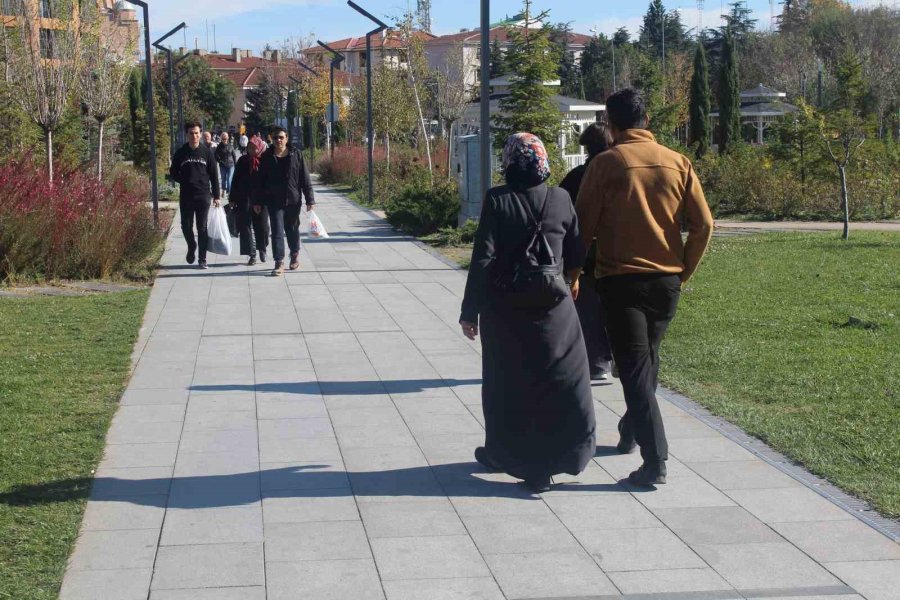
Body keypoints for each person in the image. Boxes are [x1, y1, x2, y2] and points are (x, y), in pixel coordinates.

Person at [575, 89, 714, 486]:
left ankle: (655, 462)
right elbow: (704, 225)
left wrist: (572, 274)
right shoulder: (678, 162)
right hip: (666, 282)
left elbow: (582, 227)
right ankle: (631, 427)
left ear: (611, 122)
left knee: (636, 370)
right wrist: (684, 271)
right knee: (645, 361)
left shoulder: (606, 164)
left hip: (621, 281)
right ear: (646, 119)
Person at [459, 132, 596, 493]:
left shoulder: (498, 200)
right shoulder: (561, 198)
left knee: (509, 385)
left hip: (507, 311)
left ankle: (512, 456)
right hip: (556, 309)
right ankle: (565, 454)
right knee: (560, 381)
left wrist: (470, 311)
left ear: (509, 162)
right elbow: (577, 251)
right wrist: (570, 280)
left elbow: (483, 257)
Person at [560, 123, 615, 382]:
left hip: (583, 253)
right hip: (614, 250)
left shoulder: (576, 176)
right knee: (614, 306)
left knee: (588, 307)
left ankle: (597, 362)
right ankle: (614, 356)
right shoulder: (618, 173)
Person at [253, 126, 315, 276]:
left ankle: (294, 254)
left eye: (281, 137)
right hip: (274, 200)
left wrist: (310, 200)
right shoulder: (266, 157)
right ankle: (279, 261)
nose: (278, 140)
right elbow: (259, 181)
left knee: (292, 229)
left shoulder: (296, 154)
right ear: (271, 139)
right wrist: (257, 201)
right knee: (277, 231)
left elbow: (305, 178)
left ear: (286, 138)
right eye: (275, 138)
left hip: (293, 200)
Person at [170, 121, 222, 269]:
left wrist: (217, 196)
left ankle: (202, 258)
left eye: (197, 133)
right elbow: (173, 172)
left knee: (202, 227)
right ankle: (192, 245)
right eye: (191, 133)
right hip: (186, 195)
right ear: (187, 134)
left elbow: (214, 175)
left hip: (203, 195)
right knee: (186, 226)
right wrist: (184, 180)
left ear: (200, 134)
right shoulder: (181, 152)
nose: (194, 136)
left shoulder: (207, 152)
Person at [229, 135, 270, 266]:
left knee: (262, 226)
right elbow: (235, 179)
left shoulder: (265, 161)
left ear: (260, 148)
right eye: (249, 148)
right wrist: (232, 198)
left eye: (254, 147)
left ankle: (262, 248)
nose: (251, 150)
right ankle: (252, 254)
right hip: (244, 197)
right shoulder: (243, 160)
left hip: (261, 198)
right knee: (245, 226)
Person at [215, 132, 241, 199]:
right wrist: (220, 161)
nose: (224, 140)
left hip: (231, 165)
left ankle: (229, 193)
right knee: (223, 179)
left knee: (229, 179)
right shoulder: (219, 147)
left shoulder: (231, 146)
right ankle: (223, 190)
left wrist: (236, 165)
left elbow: (234, 155)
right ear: (221, 138)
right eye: (223, 138)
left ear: (228, 138)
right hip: (222, 166)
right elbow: (216, 156)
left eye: (225, 138)